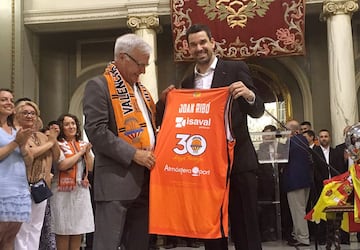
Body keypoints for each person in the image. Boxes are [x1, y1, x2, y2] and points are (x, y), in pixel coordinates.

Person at [157, 24, 264, 250]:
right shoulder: (187, 82)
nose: (199, 48)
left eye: (203, 42)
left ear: (213, 43)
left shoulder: (236, 69)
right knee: (212, 229)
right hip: (206, 168)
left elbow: (257, 111)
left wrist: (249, 95)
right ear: (188, 48)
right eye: (194, 44)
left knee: (247, 226)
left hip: (239, 163)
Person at [83, 33, 157, 250]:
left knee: (139, 244)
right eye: (141, 64)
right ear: (123, 57)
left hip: (145, 179)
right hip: (116, 181)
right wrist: (134, 154)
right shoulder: (99, 85)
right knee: (108, 243)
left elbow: (148, 127)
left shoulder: (141, 91)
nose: (143, 70)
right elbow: (96, 130)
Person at [14, 101, 60, 250]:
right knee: (22, 229)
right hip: (22, 186)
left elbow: (56, 157)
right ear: (17, 115)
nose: (29, 116)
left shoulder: (40, 135)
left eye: (32, 113)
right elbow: (31, 153)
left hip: (41, 186)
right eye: (25, 113)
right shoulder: (17, 133)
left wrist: (55, 141)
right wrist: (51, 142)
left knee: (36, 227)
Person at [50, 113, 94, 250]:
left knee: (77, 230)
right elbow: (62, 165)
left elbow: (91, 167)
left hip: (80, 191)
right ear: (62, 127)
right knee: (63, 230)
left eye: (73, 123)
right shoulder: (58, 144)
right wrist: (80, 153)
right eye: (67, 124)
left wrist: (86, 152)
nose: (71, 126)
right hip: (61, 192)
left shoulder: (82, 144)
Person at [0, 89, 33, 250]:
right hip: (2, 189)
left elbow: (28, 161)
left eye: (11, 100)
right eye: (3, 99)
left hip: (19, 189)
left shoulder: (15, 131)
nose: (9, 102)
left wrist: (23, 145)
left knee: (10, 237)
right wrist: (15, 143)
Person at [283, 120, 312, 247]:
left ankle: (303, 237)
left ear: (294, 131)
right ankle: (297, 234)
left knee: (298, 210)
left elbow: (284, 157)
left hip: (295, 181)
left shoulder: (292, 141)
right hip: (305, 180)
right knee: (300, 209)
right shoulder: (303, 140)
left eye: (286, 130)